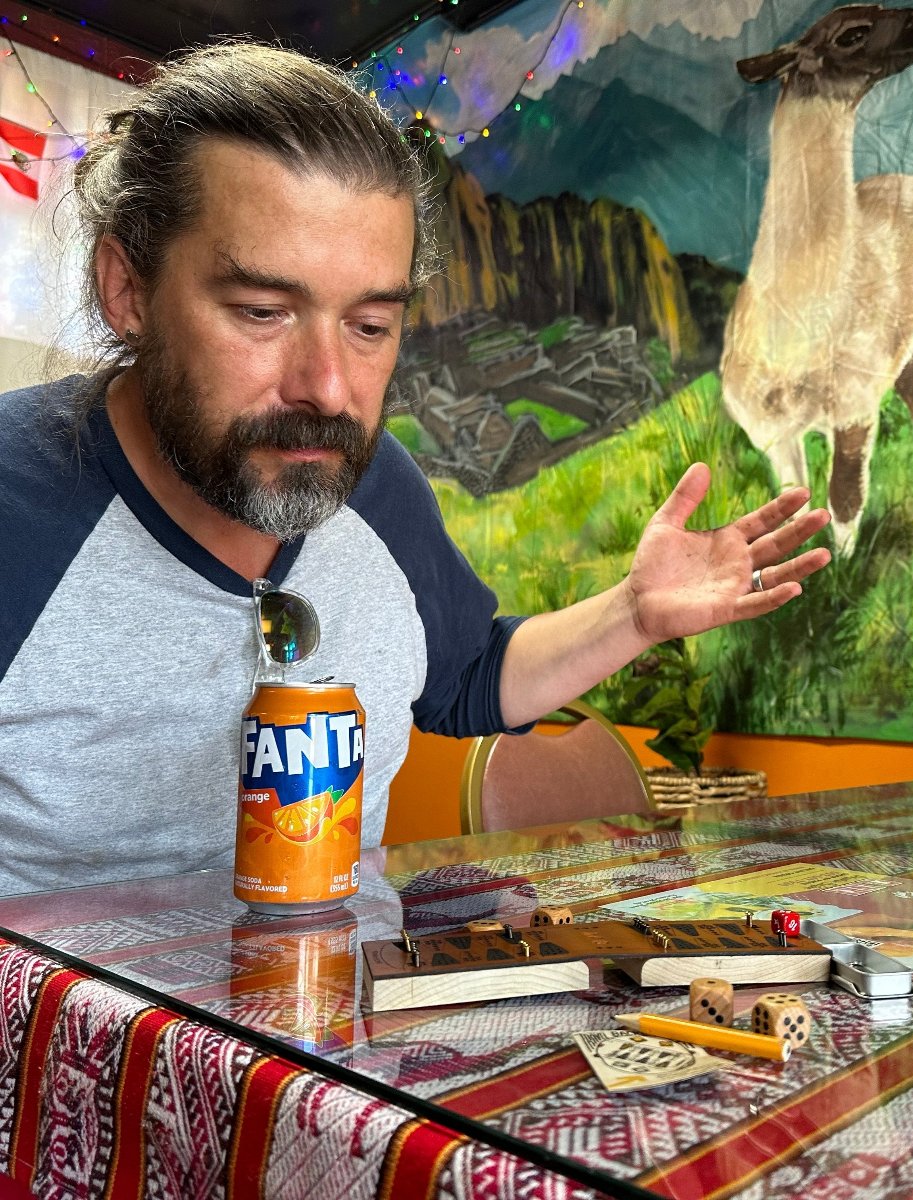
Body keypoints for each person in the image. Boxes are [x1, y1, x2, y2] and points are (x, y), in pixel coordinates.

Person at [0, 44, 831, 898]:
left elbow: (466, 677)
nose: (326, 389)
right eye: (262, 312)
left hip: (341, 1015)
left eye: (369, 327)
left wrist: (633, 613)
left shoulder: (377, 487)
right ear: (127, 290)